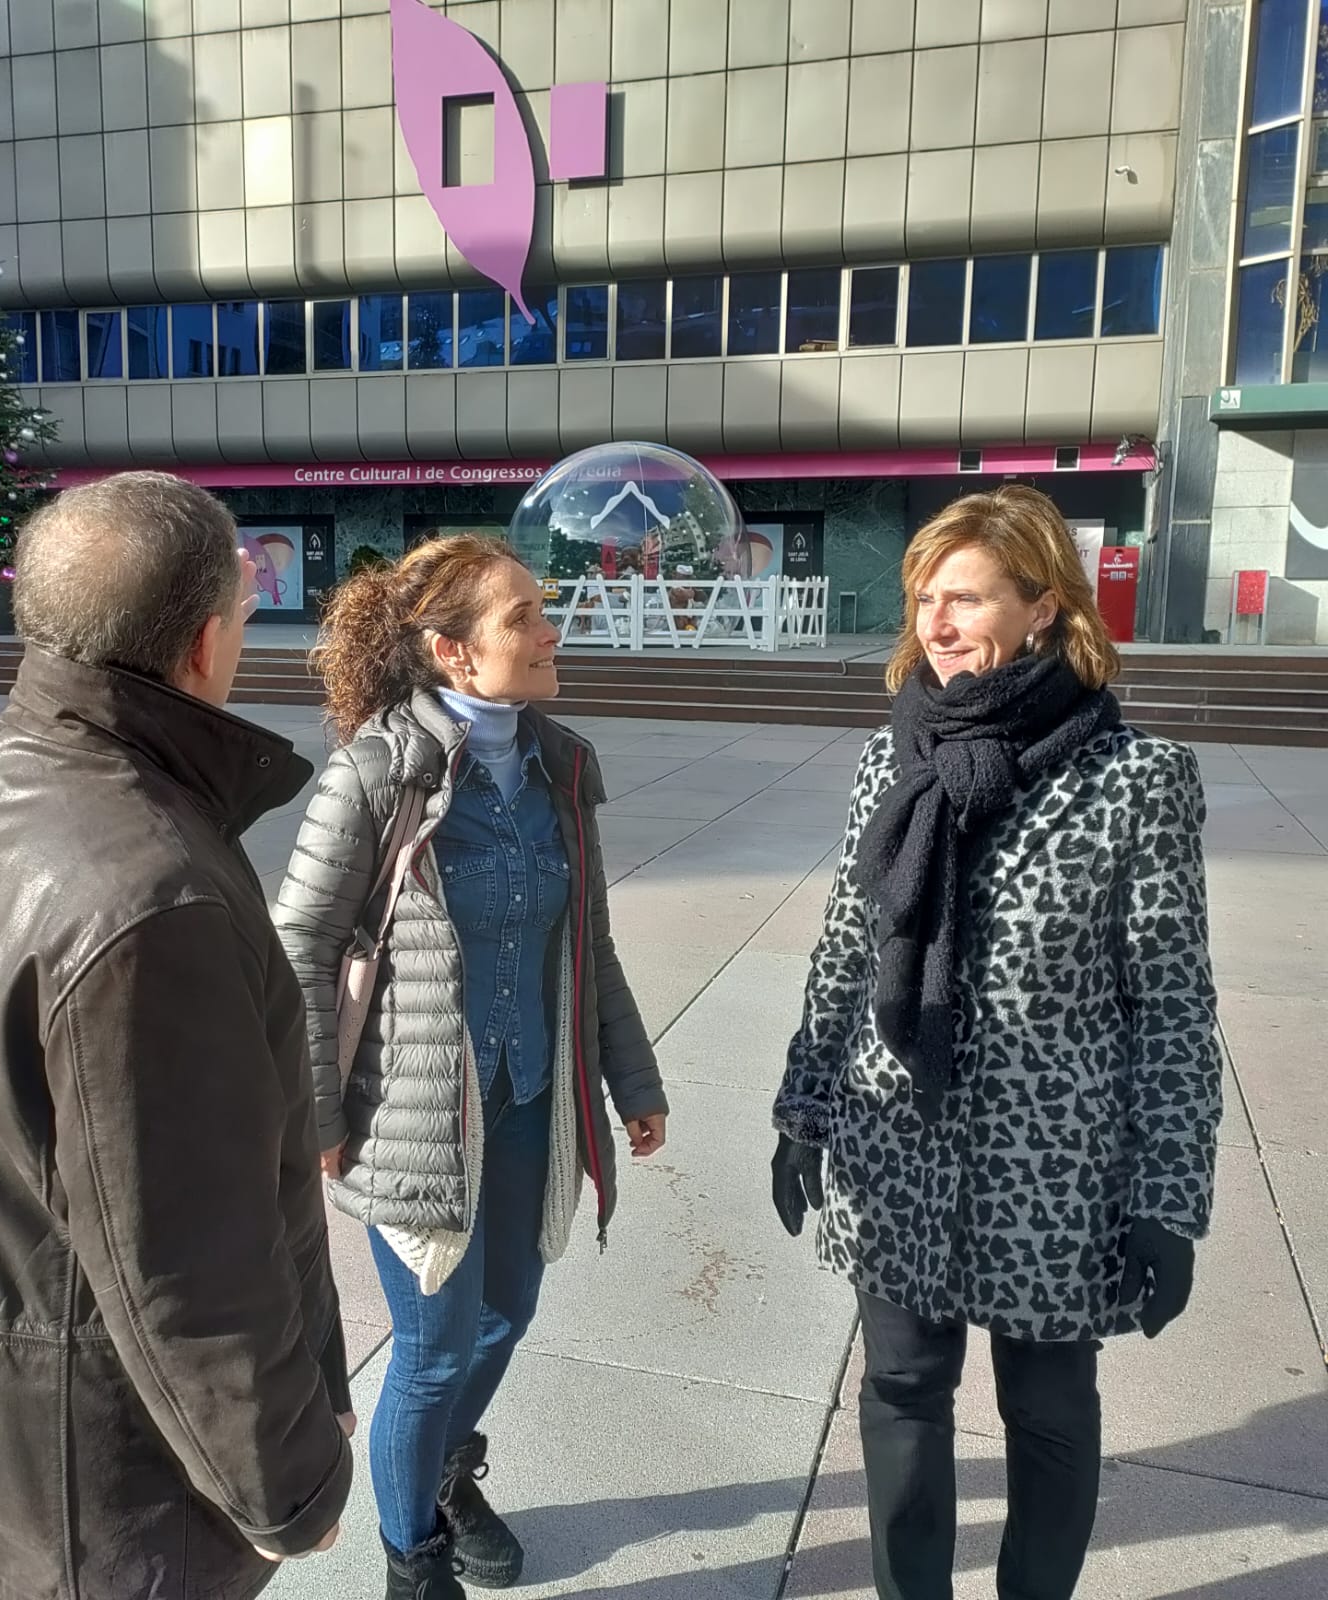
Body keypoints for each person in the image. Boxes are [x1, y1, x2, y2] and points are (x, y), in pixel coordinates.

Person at [0, 473, 353, 1600]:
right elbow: (190, 1264)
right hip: (121, 1494)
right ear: (204, 640)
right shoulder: (149, 897)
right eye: (244, 617)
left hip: (27, 1434)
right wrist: (289, 1488)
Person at [770, 485, 1221, 1600]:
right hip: (896, 1142)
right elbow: (844, 945)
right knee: (901, 1390)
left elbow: (1172, 1004)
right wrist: (802, 1110)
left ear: (1040, 605)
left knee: (1049, 1409)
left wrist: (1169, 1197)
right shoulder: (896, 761)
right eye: (924, 595)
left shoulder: (1131, 781)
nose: (934, 618)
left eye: (963, 596)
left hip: (1053, 1163)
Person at [274, 534, 668, 1599]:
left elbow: (588, 940)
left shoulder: (562, 767)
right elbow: (300, 944)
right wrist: (311, 1108)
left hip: (531, 1097)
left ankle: (447, 1467)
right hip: (411, 1112)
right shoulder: (374, 773)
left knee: (508, 1312)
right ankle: (412, 1560)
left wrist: (632, 1080)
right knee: (435, 1346)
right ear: (452, 651)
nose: (550, 632)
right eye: (524, 618)